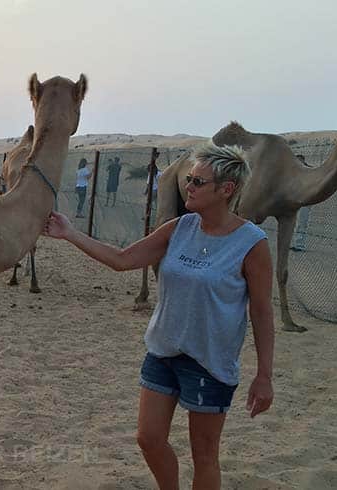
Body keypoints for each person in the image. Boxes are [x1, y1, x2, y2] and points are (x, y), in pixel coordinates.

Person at [43, 142, 275, 489]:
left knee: (205, 456)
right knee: (148, 438)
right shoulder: (179, 228)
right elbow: (122, 259)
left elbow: (261, 310)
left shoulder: (251, 243)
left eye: (198, 182)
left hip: (210, 362)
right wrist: (70, 234)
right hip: (164, 351)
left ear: (226, 190)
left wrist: (264, 375)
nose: (188, 187)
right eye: (189, 179)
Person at [291, 155, 311, 252]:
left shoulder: (309, 171)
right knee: (293, 222)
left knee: (302, 222)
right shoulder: (293, 172)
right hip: (295, 200)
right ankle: (295, 243)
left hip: (305, 200)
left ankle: (300, 244)